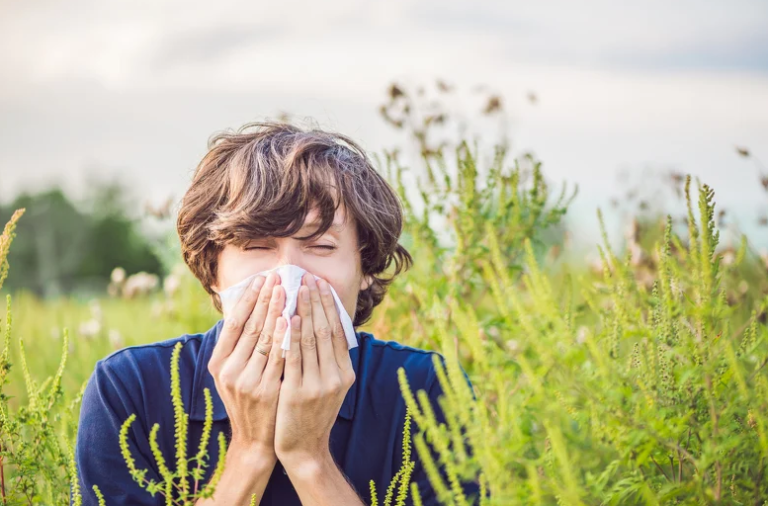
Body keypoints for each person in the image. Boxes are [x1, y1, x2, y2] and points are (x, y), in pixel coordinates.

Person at [73, 122, 480, 505]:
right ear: (213, 270)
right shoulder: (130, 390)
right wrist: (250, 452)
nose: (289, 275)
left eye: (321, 246)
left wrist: (310, 459)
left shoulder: (425, 391)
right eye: (256, 246)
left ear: (366, 270)